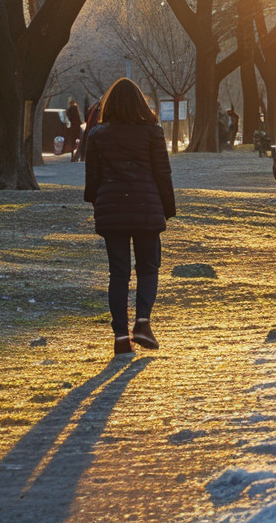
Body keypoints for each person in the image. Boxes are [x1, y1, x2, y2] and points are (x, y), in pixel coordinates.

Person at [83, 78, 176, 357]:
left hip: (112, 210)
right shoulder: (152, 133)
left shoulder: (97, 135)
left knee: (119, 273)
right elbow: (163, 174)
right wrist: (167, 209)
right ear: (141, 103)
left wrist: (95, 200)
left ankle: (121, 337)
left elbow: (93, 177)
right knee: (148, 268)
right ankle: (143, 323)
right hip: (147, 207)